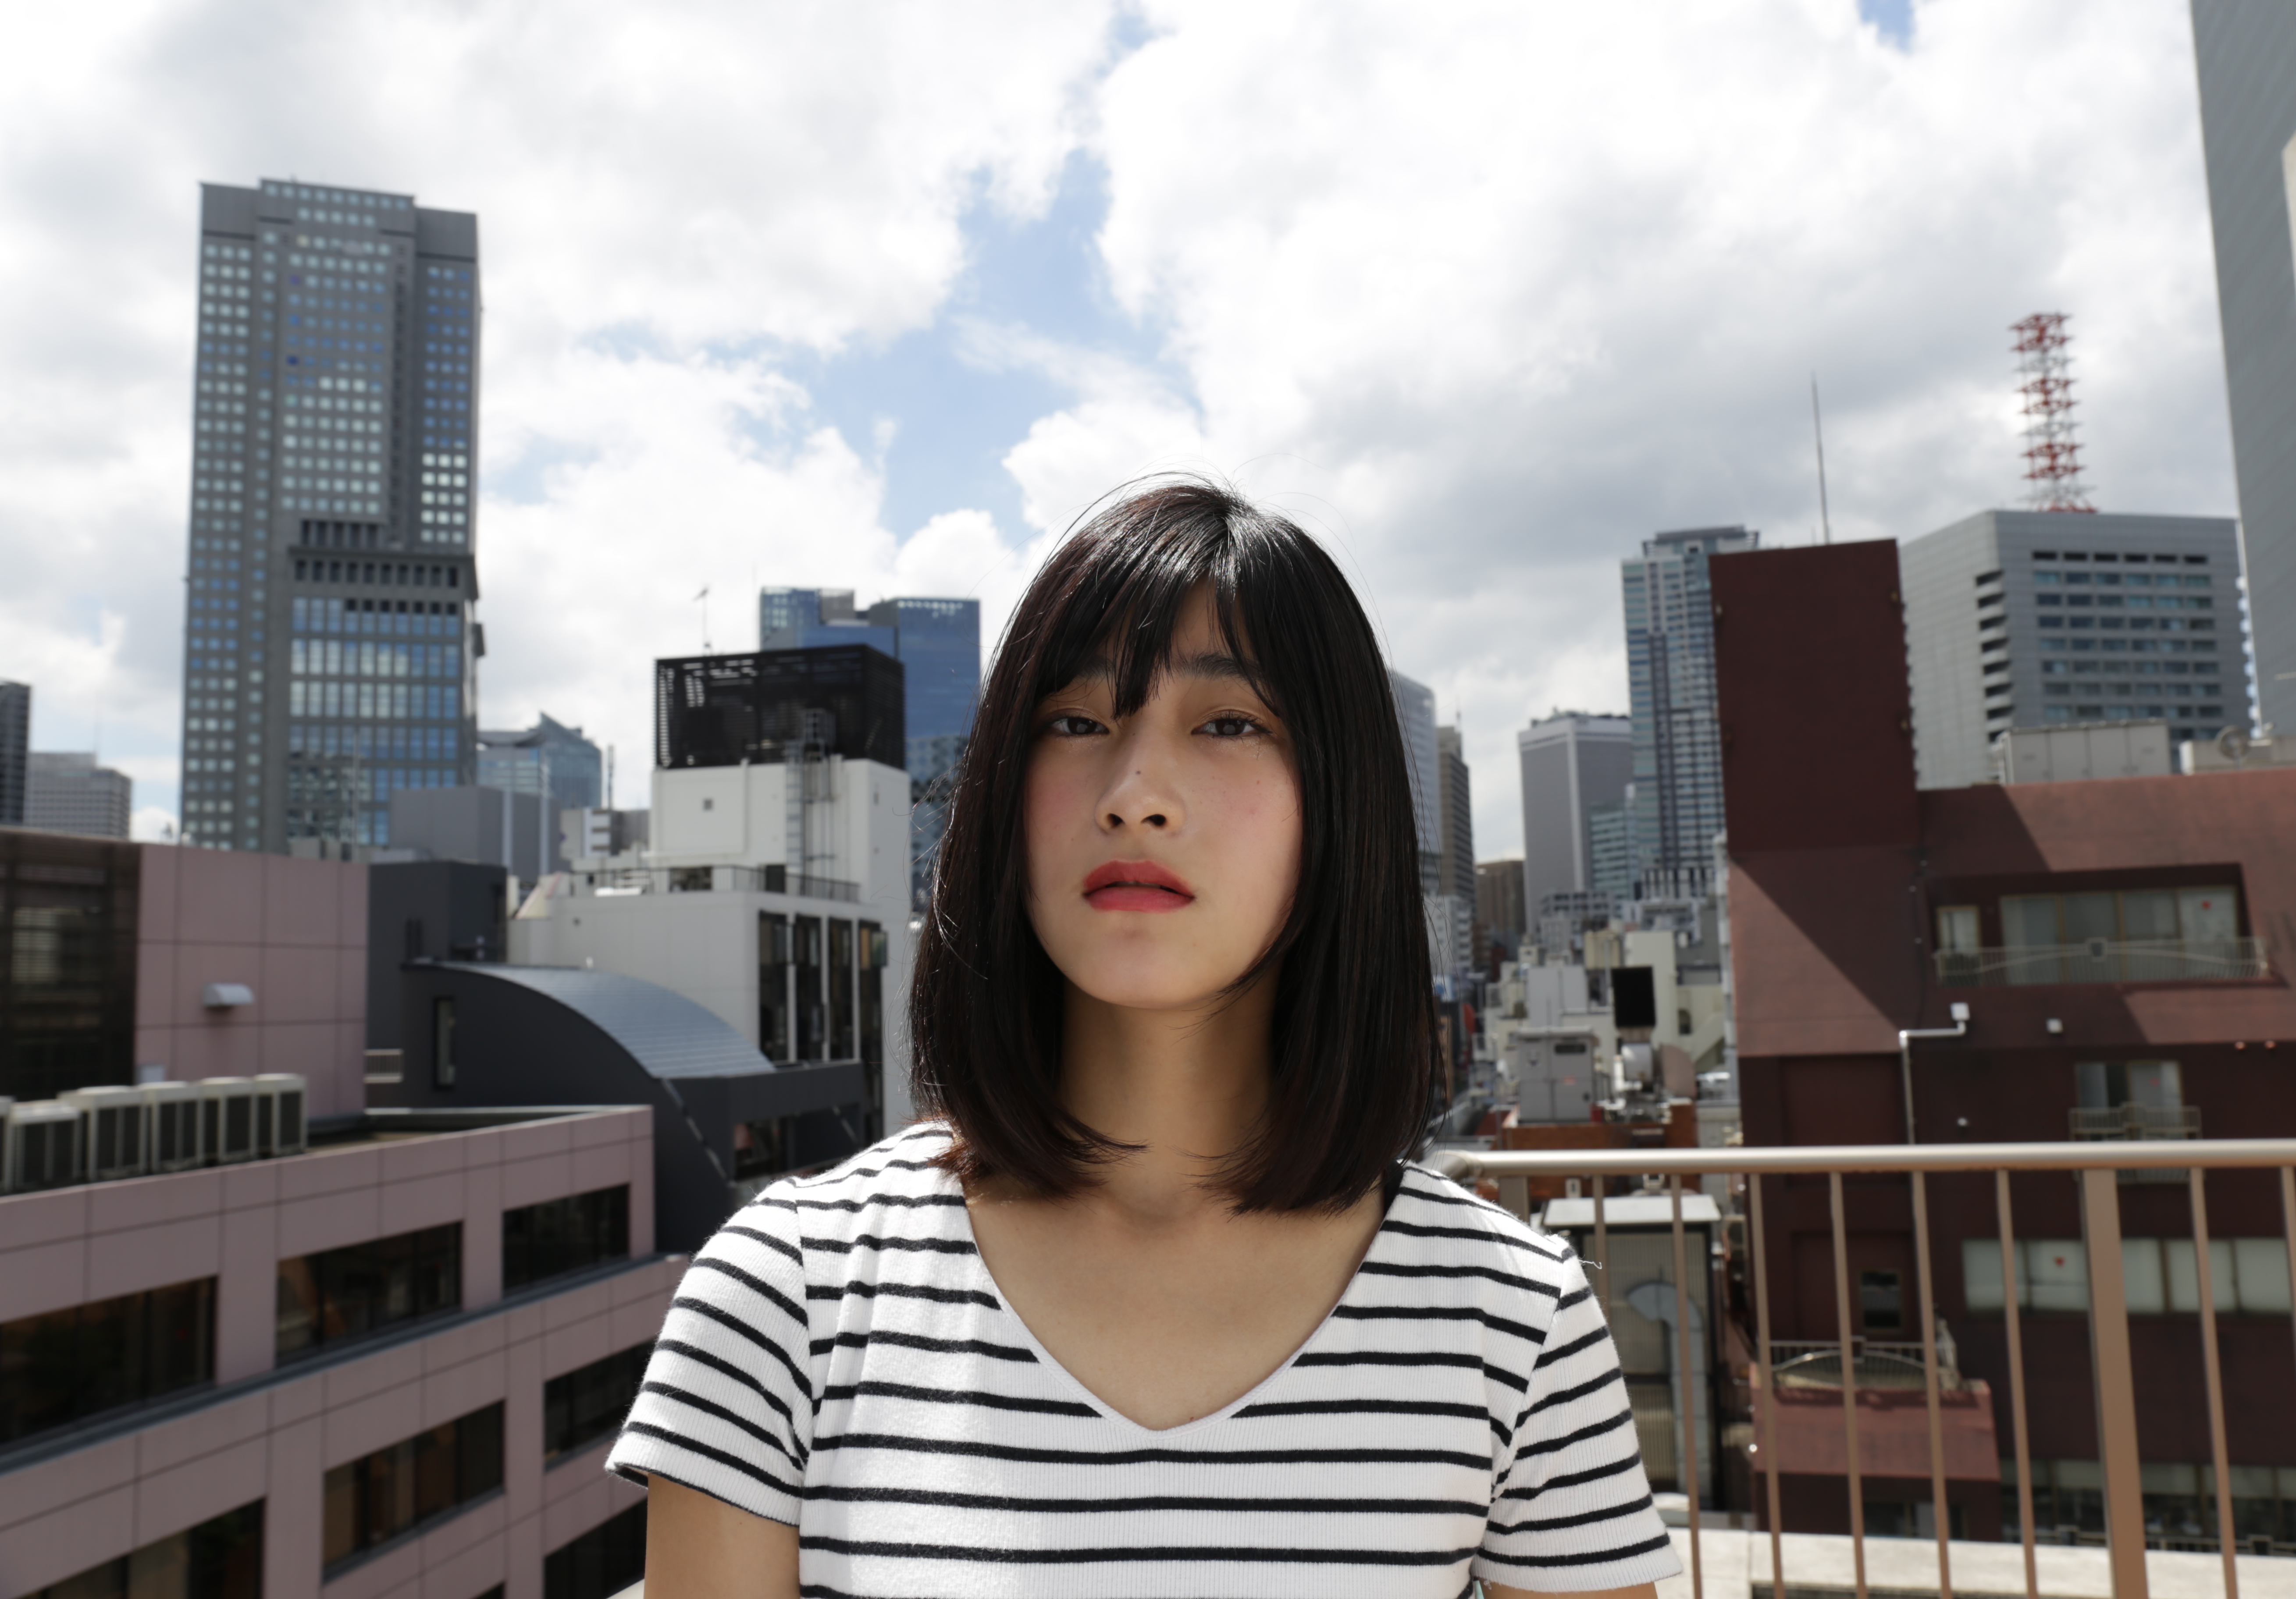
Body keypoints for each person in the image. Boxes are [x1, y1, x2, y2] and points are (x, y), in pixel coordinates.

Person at [609, 479, 1678, 1597]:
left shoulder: (1511, 1316)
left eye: (1229, 724)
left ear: (1341, 802)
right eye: (1075, 723)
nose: (1134, 795)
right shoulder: (791, 1290)